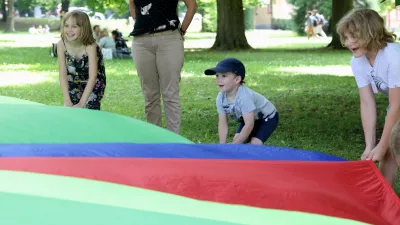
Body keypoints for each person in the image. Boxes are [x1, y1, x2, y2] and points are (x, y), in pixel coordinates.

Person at [337, 8, 399, 187]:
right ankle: (382, 203)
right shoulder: (358, 61)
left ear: (370, 33)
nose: (348, 43)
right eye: (345, 37)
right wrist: (370, 146)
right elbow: (367, 102)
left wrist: (382, 145)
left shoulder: (393, 57)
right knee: (387, 148)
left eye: (353, 37)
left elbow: (396, 106)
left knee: (392, 145)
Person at [128, 0, 198, 134]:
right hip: (141, 42)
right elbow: (133, 6)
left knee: (170, 93)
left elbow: (192, 5)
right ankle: (155, 138)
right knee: (150, 95)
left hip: (169, 38)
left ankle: (173, 139)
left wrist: (182, 30)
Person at [204, 58, 279, 145]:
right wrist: (222, 144)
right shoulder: (220, 97)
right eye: (217, 76)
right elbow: (222, 122)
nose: (219, 79)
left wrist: (234, 146)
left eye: (224, 76)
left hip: (267, 118)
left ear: (237, 79)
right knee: (237, 139)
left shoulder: (244, 97)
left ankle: (257, 158)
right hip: (249, 118)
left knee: (255, 143)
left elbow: (249, 124)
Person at [56, 10, 107, 110]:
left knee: (90, 108)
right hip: (74, 78)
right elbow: (62, 74)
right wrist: (67, 100)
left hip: (94, 80)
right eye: (66, 25)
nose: (69, 30)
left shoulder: (90, 46)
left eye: (74, 26)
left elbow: (93, 76)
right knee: (72, 108)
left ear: (83, 28)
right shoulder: (61, 45)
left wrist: (82, 102)